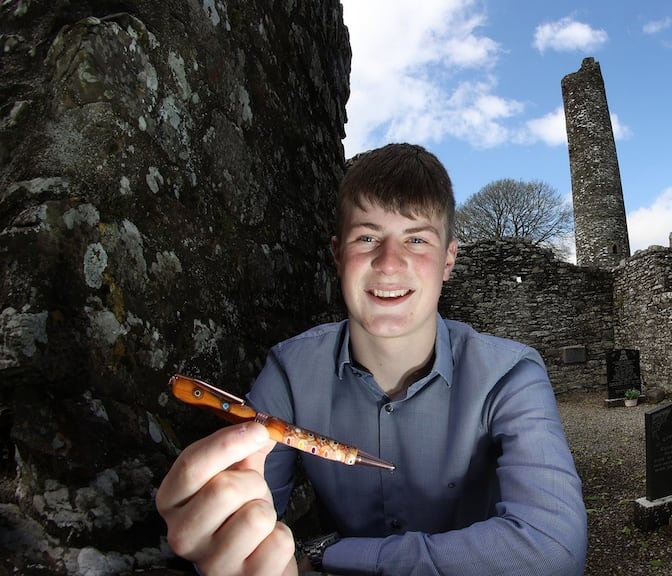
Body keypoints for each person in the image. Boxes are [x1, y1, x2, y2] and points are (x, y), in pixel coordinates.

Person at [156, 143, 588, 575]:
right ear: (337, 255)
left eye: (416, 239)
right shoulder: (289, 373)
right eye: (367, 237)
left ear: (448, 261)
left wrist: (331, 554)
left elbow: (552, 550)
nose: (389, 263)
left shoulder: (511, 374)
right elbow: (240, 532)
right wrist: (220, 536)